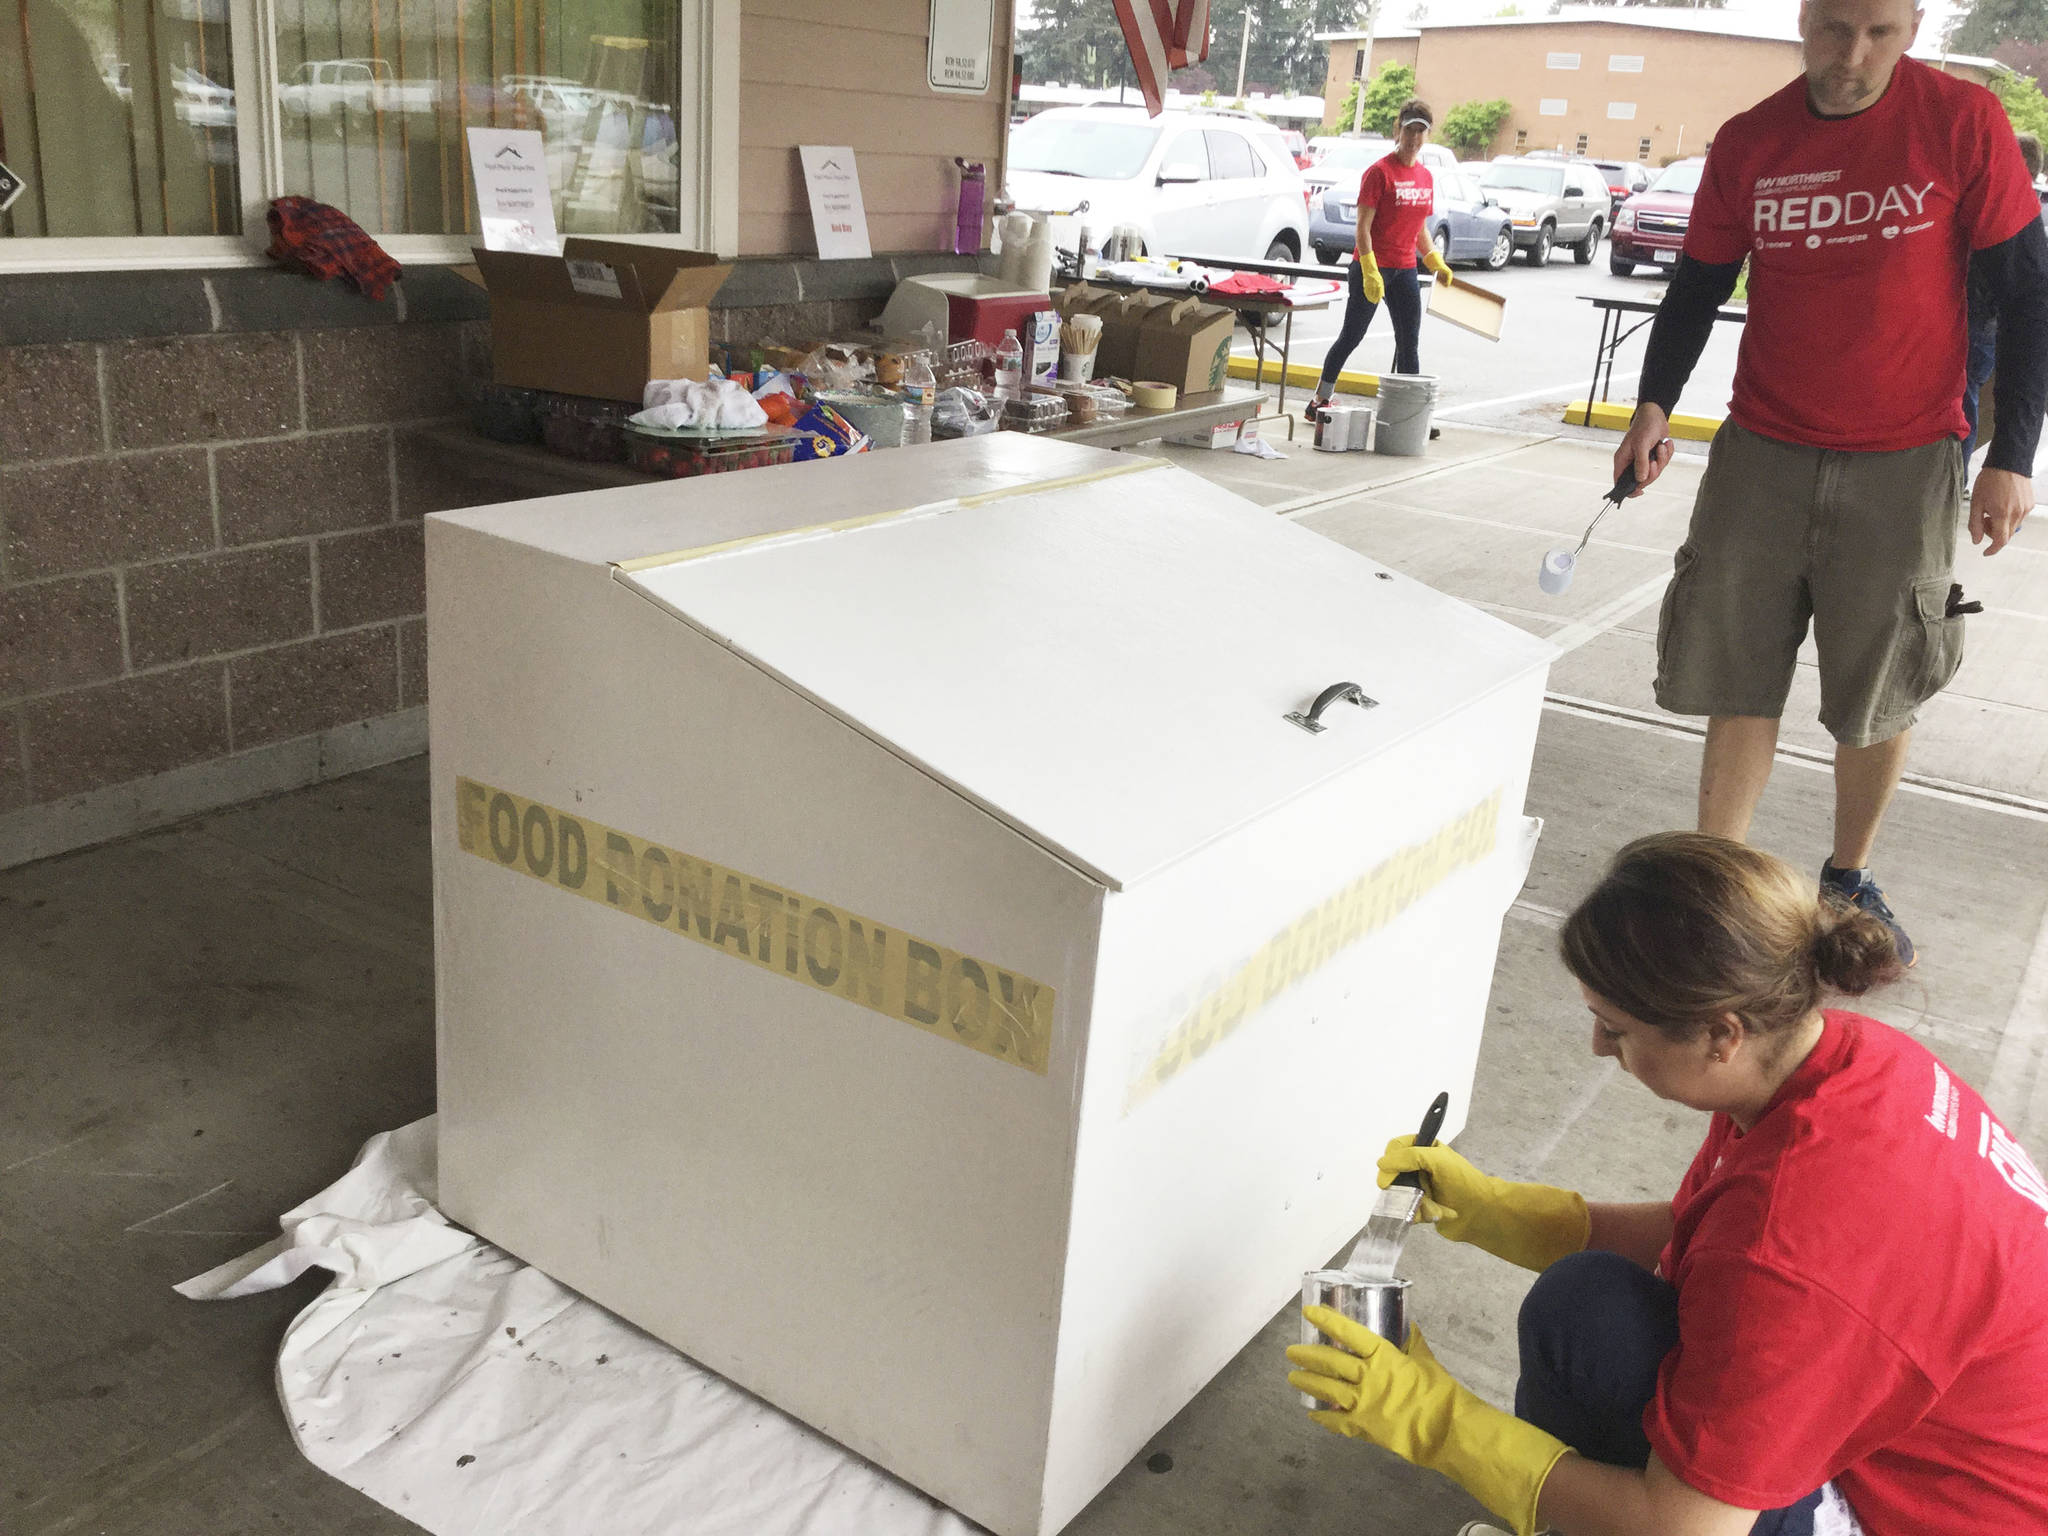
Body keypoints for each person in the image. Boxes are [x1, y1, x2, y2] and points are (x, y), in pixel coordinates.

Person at [1286, 832, 2048, 1536]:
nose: (1595, 1046)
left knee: (1602, 1353)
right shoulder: (1830, 1061)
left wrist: (1439, 1425)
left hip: (1929, 1518)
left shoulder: (1803, 1239)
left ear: (1722, 1033)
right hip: (1922, 1437)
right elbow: (1707, 1235)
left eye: (1615, 1029)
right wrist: (1496, 1211)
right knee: (1587, 1309)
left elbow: (1689, 1526)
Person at [1611, 0, 2048, 965]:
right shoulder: (1751, 140)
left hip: (1907, 453)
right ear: (1805, 17)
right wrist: (1651, 406)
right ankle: (1716, 887)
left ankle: (1847, 878)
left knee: (1880, 682)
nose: (1852, 56)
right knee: (1738, 668)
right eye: (1835, 27)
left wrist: (2014, 455)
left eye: (1880, 34)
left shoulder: (1961, 122)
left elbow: (2028, 294)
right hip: (1763, 445)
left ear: (1914, 26)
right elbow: (1698, 283)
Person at [1305, 99, 1456, 421]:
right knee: (1352, 336)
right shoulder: (1379, 172)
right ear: (1397, 130)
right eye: (1409, 129)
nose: (1414, 137)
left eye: (1420, 131)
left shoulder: (1426, 177)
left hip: (1405, 270)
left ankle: (1411, 417)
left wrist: (1434, 262)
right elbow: (1362, 227)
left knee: (1408, 342)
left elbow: (1420, 231)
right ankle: (1320, 398)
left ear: (1427, 135)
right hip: (1371, 267)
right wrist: (1370, 269)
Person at [1962, 131, 2045, 480]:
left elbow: (2030, 291)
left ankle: (1960, 477)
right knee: (1968, 400)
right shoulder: (2024, 204)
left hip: (1983, 319)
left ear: (2021, 163)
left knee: (1963, 401)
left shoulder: (2010, 208)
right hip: (1988, 319)